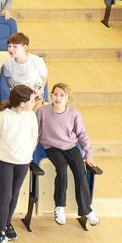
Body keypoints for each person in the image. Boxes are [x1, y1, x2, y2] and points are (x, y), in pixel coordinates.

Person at [0, 84, 41, 243]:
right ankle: (0, 232)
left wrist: (26, 154)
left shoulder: (31, 116)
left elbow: (33, 137)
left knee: (15, 193)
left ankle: (7, 223)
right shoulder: (4, 117)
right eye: (31, 100)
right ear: (22, 103)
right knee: (6, 195)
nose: (34, 102)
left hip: (23, 161)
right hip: (5, 161)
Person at [37, 84, 98, 227]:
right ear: (51, 96)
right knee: (62, 170)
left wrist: (88, 153)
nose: (58, 98)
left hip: (70, 146)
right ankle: (59, 206)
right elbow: (36, 132)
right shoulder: (42, 111)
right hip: (52, 147)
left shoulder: (74, 113)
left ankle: (86, 210)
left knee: (80, 171)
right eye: (55, 94)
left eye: (62, 95)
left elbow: (82, 134)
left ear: (68, 99)